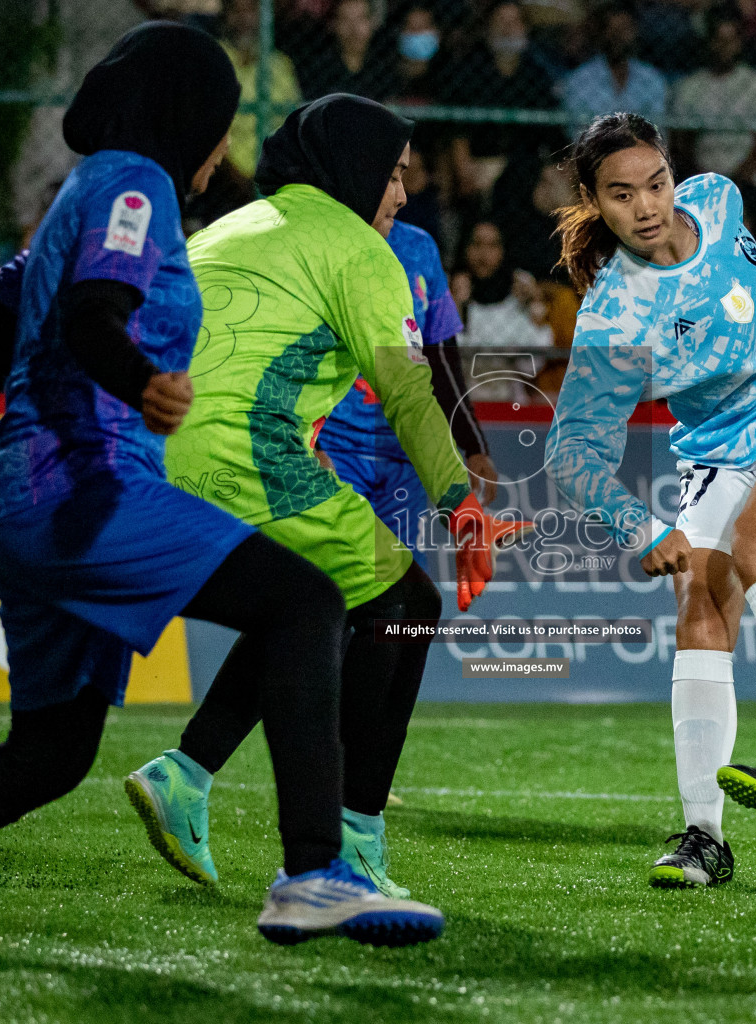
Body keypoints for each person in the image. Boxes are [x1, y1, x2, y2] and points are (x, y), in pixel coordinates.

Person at [0, 26, 443, 951]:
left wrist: (59, 385)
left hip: (19, 495)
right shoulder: (138, 183)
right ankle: (312, 874)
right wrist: (134, 385)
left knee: (50, 755)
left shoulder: (83, 193)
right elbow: (93, 316)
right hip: (83, 487)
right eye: (220, 121)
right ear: (188, 113)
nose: (224, 147)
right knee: (306, 599)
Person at [141, 94, 521, 902]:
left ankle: (184, 775)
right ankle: (350, 846)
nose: (402, 196)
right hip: (248, 454)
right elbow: (411, 393)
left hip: (143, 455)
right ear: (354, 172)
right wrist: (461, 501)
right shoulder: (362, 251)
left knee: (314, 601)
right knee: (407, 603)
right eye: (392, 176)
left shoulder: (230, 225)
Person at [546, 113, 756, 889]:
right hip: (719, 451)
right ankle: (703, 839)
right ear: (592, 199)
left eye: (656, 182)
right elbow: (571, 451)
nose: (648, 206)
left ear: (673, 171)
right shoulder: (615, 317)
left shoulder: (719, 199)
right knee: (701, 606)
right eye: (621, 195)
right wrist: (639, 524)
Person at [317, 219, 498, 566]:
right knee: (338, 580)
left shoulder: (420, 247)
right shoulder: (321, 238)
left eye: (402, 173)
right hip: (336, 453)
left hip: (405, 455)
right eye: (392, 177)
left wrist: (474, 444)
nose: (401, 195)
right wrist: (314, 445)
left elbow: (441, 355)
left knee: (403, 591)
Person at [439, 1, 559, 205]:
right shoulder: (471, 72)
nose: (507, 29)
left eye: (514, 23)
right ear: (488, 28)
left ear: (525, 28)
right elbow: (457, 132)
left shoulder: (536, 75)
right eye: (500, 22)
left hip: (527, 168)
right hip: (483, 163)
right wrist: (466, 169)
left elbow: (551, 136)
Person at [670, 8, 756, 190]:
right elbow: (681, 144)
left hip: (747, 181)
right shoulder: (689, 87)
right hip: (701, 181)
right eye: (719, 40)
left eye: (731, 40)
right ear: (709, 42)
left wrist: (737, 181)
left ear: (740, 43)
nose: (724, 47)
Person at [217, 0, 302, 184]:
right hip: (221, 175)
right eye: (236, 11)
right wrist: (236, 178)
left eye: (250, 10)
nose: (243, 19)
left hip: (274, 173)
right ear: (226, 16)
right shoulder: (214, 57)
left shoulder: (280, 65)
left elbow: (293, 125)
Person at [453, 220, 555, 351]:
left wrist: (535, 304)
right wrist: (457, 306)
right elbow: (451, 355)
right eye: (477, 244)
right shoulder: (453, 291)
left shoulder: (518, 291)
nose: (483, 255)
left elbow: (534, 360)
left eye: (492, 246)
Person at [562, 3, 668, 130]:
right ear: (602, 34)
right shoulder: (580, 80)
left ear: (635, 32)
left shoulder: (651, 79)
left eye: (624, 32)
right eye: (613, 32)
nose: (618, 40)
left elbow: (658, 131)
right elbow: (578, 132)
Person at [297, 0, 397, 101]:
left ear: (372, 23)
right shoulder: (319, 69)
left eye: (360, 19)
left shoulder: (385, 68)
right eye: (345, 20)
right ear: (334, 25)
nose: (354, 30)